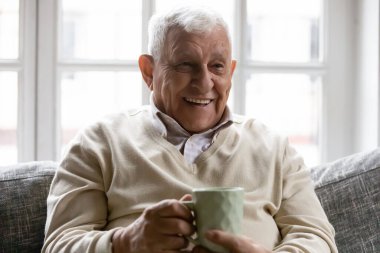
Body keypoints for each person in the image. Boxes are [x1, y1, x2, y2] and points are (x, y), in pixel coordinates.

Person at [42, 6, 338, 253]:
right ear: (149, 72)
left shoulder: (274, 148)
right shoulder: (98, 143)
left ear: (231, 72)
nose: (205, 82)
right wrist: (124, 242)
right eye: (186, 65)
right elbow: (58, 245)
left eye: (217, 66)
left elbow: (318, 240)